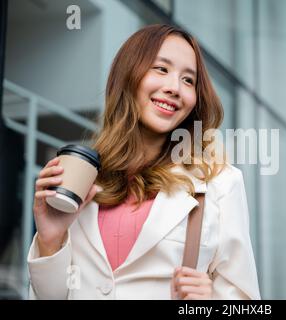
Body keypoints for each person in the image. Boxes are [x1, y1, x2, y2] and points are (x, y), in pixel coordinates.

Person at [27, 24, 260, 300]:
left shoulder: (221, 184)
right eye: (161, 69)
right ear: (128, 76)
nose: (174, 88)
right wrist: (50, 240)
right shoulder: (83, 180)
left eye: (188, 80)